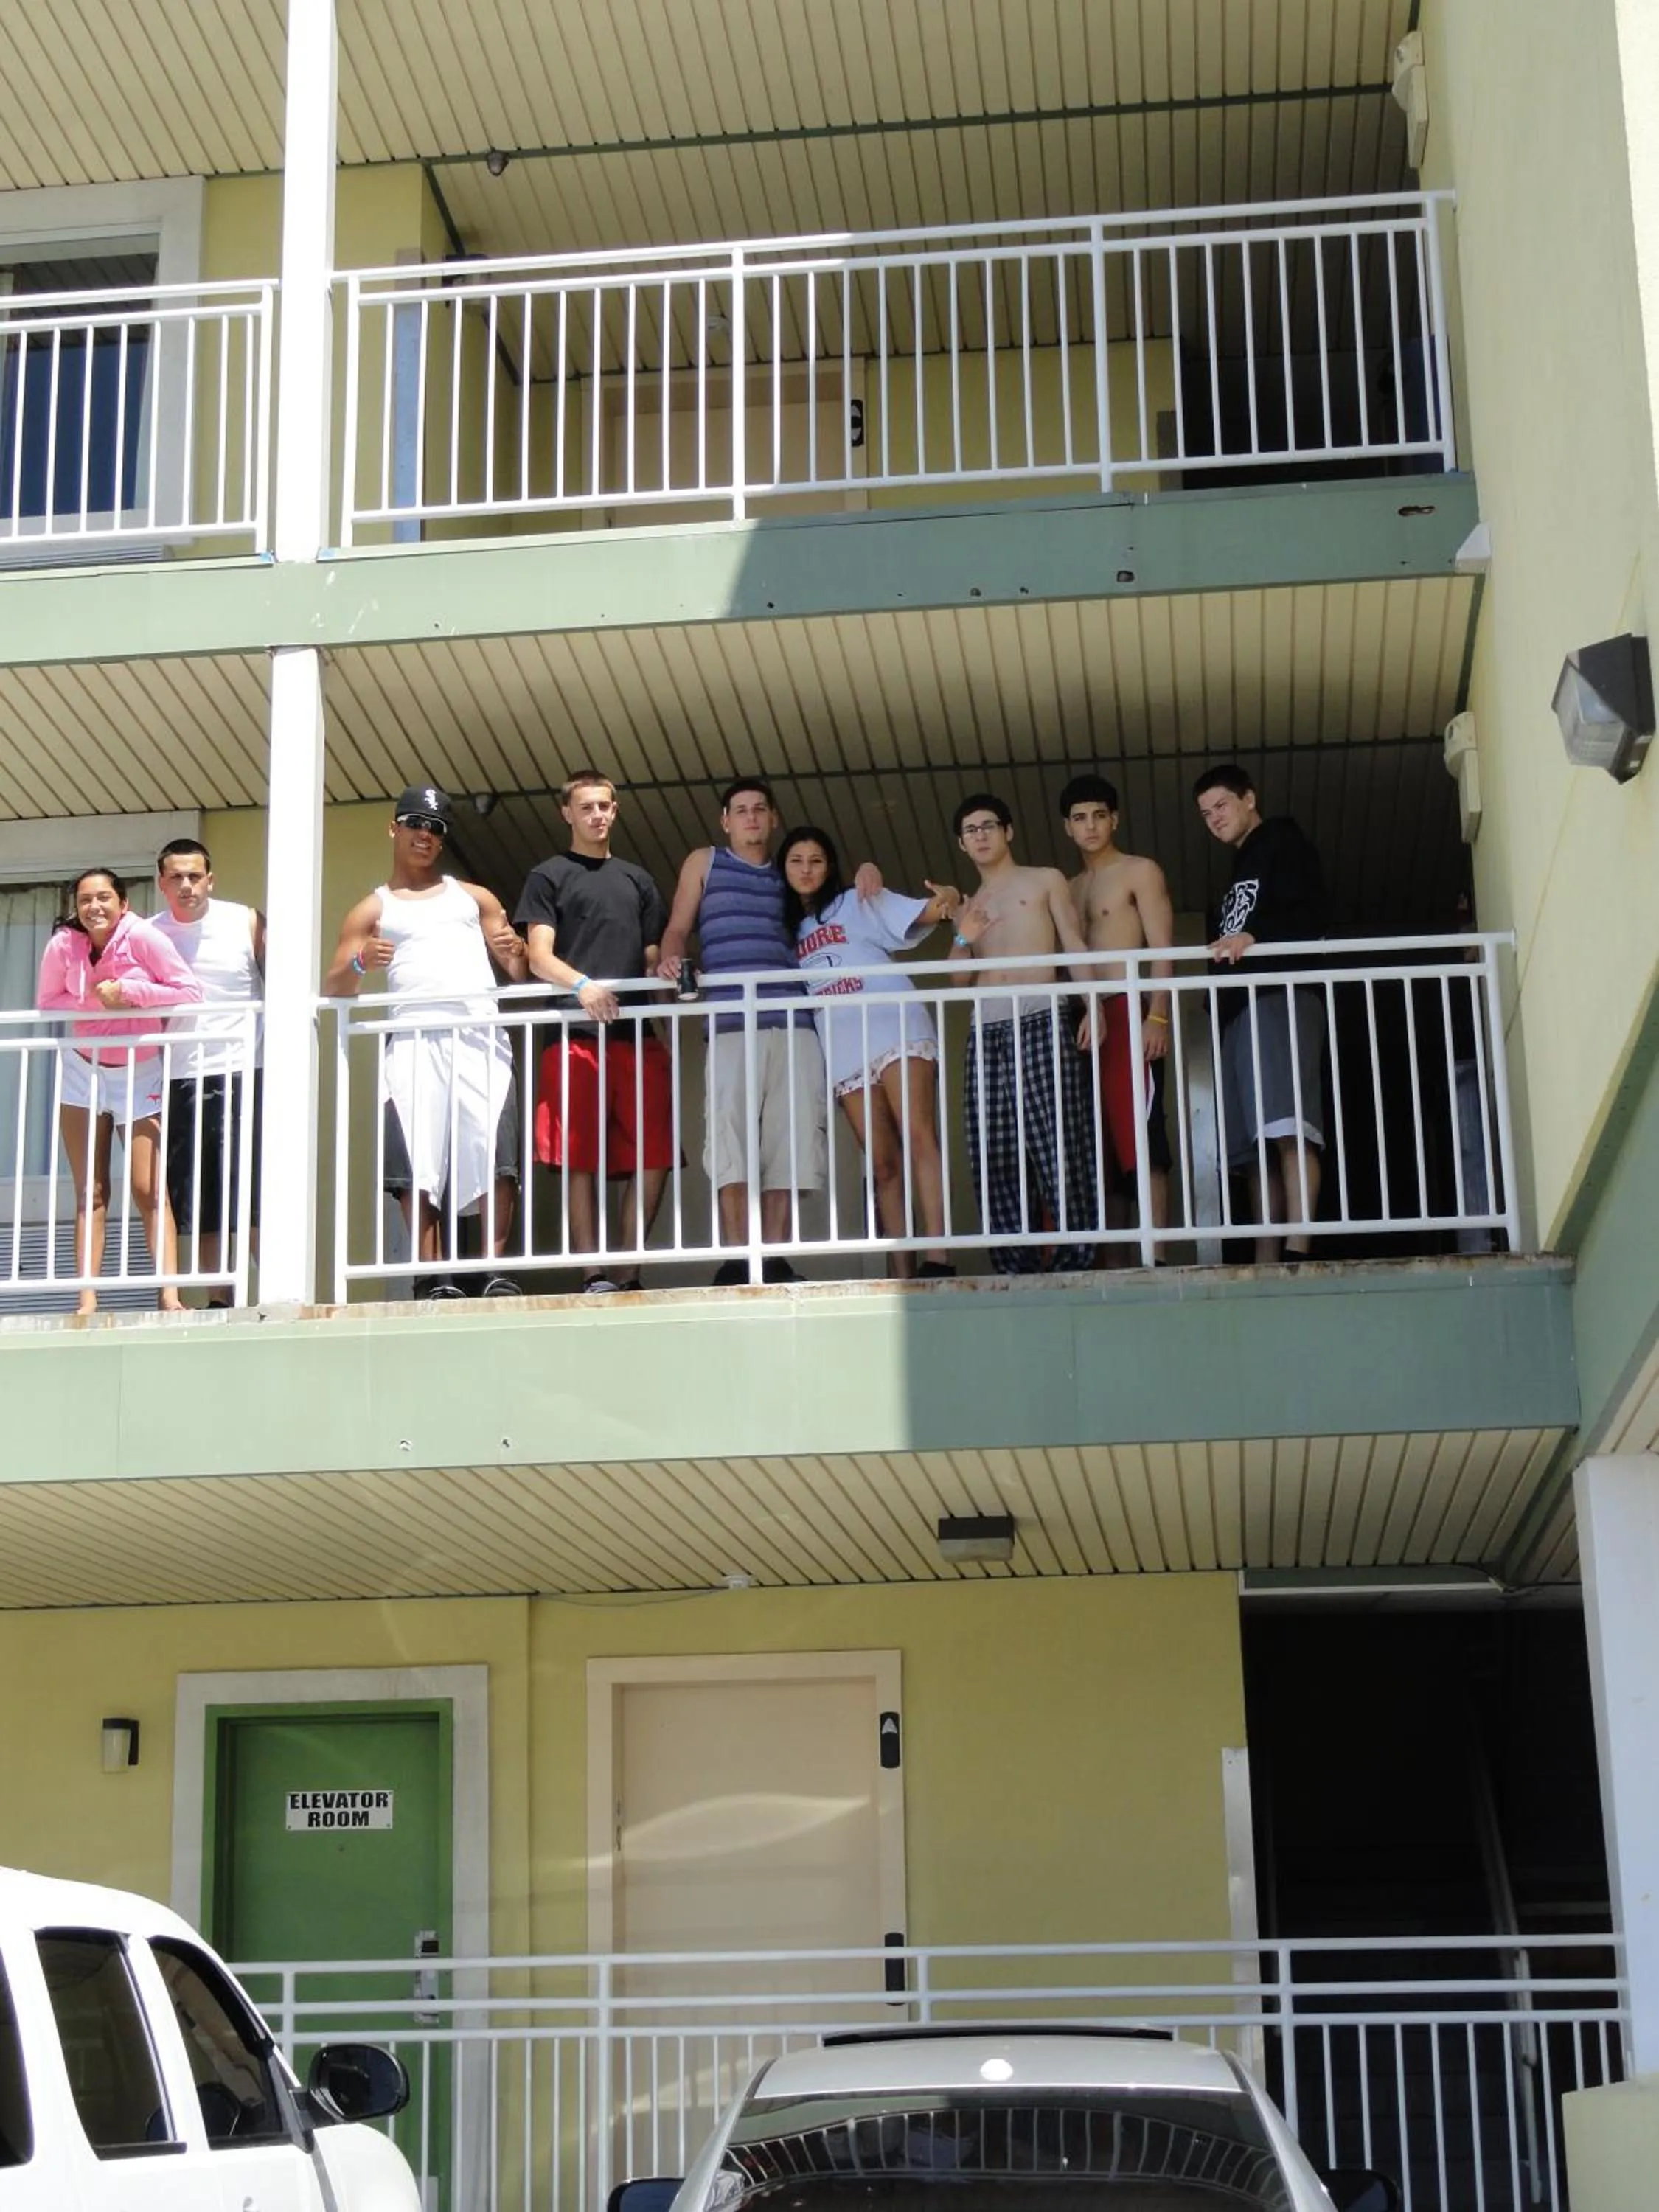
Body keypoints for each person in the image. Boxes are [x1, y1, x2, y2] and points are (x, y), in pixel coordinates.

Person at [324, 785, 529, 1299]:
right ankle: (431, 1276)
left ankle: (491, 1271)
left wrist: (516, 952)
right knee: (417, 1158)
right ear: (394, 827)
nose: (425, 835)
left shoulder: (475, 897)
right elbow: (335, 985)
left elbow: (518, 970)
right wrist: (359, 962)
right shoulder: (372, 908)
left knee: (494, 1151)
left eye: (435, 828)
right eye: (415, 823)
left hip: (480, 1038)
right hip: (413, 1043)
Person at [656, 779, 831, 1286]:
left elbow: (839, 900)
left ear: (773, 819)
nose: (752, 818)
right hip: (731, 1023)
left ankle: (772, 1259)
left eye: (760, 810)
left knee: (791, 1142)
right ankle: (740, 1258)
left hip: (795, 1023)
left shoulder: (791, 872)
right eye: (742, 810)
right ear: (726, 821)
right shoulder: (706, 862)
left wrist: (863, 871)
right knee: (730, 1140)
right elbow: (678, 925)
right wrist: (671, 954)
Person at [778, 825, 961, 1279]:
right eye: (796, 860)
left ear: (830, 865)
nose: (806, 869)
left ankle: (938, 1258)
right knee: (881, 1163)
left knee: (918, 1133)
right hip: (842, 1046)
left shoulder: (854, 900)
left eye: (816, 860)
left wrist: (952, 893)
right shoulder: (780, 929)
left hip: (893, 1023)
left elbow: (938, 909)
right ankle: (902, 1269)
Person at [515, 771, 672, 1294]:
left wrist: (668, 976)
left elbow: (651, 958)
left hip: (638, 1034)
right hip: (572, 1032)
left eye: (604, 806)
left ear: (615, 809)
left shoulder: (638, 880)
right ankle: (594, 1273)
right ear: (567, 813)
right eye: (586, 807)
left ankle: (628, 1268)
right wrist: (583, 985)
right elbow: (539, 956)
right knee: (577, 1155)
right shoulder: (548, 875)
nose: (597, 815)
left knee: (657, 1150)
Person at [35, 866, 202, 1316]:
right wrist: (92, 997)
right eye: (86, 900)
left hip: (138, 1068)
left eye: (105, 897)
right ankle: (86, 1300)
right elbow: (47, 1002)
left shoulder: (143, 937)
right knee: (90, 1190)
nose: (95, 907)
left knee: (149, 1189)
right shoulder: (63, 945)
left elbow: (189, 991)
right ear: (77, 908)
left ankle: (169, 1295)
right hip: (81, 1069)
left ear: (123, 903)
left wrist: (130, 992)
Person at [947, 793, 1100, 1273]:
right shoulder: (970, 904)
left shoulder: (1044, 880)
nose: (981, 835)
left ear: (1008, 831)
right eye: (971, 830)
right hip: (988, 1026)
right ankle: (1016, 1262)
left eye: (989, 825)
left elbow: (1074, 944)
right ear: (962, 844)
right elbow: (957, 979)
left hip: (1042, 1013)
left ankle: (1077, 1255)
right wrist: (962, 934)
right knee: (994, 1147)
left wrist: (1093, 1007)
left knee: (1059, 1138)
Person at [1193, 763, 1329, 1262]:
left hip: (1279, 996)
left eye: (1222, 806)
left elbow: (1313, 914)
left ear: (1249, 798)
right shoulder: (1239, 870)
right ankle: (1268, 1254)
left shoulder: (1284, 845)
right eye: (1206, 814)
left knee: (1288, 1126)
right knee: (1253, 1147)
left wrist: (1258, 936)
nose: (1214, 819)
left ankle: (1298, 1245)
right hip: (1240, 1012)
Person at [1060, 775, 1175, 1241]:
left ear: (1115, 819)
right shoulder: (1065, 887)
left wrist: (1158, 1015)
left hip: (1129, 1008)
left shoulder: (1139, 871)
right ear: (1067, 827)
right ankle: (1115, 1261)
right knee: (1097, 1144)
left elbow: (1163, 948)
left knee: (1143, 1134)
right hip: (1081, 1017)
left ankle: (1157, 1257)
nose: (1090, 827)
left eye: (1099, 816)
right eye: (1080, 818)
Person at [151, 837, 265, 1303]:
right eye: (176, 877)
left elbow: (285, 982)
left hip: (248, 1068)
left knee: (256, 1192)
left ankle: (281, 1291)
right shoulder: (148, 933)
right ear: (161, 883)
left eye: (194, 876)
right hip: (182, 1074)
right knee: (202, 1196)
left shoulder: (246, 921)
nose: (186, 886)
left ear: (210, 880)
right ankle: (220, 1296)